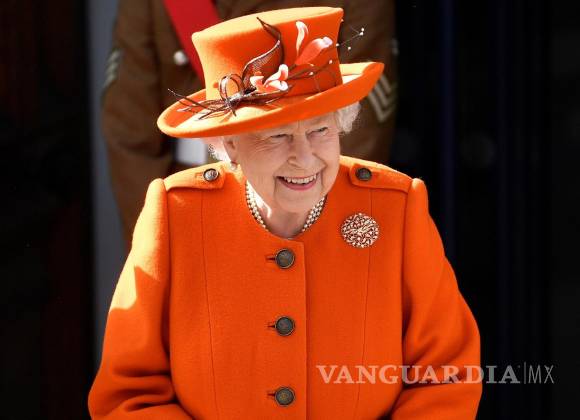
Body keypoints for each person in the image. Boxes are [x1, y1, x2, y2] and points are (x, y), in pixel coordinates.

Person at [89, 7, 481, 419]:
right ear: (230, 143)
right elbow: (130, 397)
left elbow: (446, 376)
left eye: (321, 129)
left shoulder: (395, 210)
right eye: (277, 135)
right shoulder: (175, 216)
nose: (304, 158)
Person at [102, 0, 398, 248]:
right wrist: (161, 237)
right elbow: (130, 131)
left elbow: (358, 124)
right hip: (195, 195)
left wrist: (330, 234)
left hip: (314, 197)